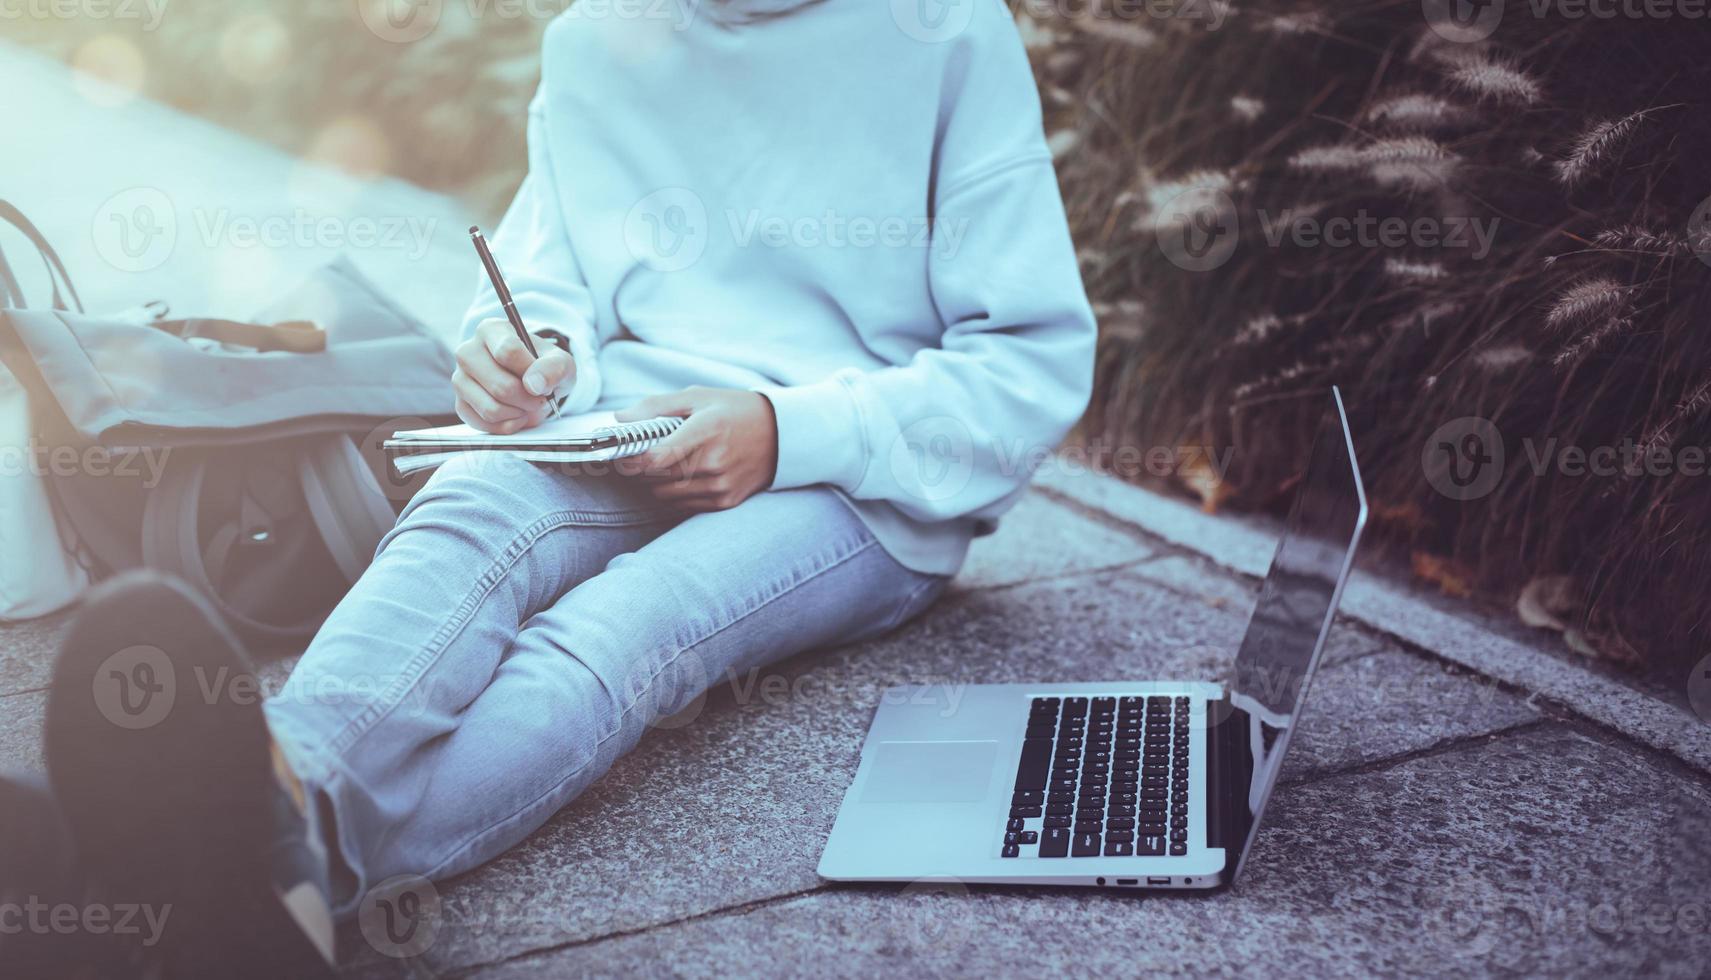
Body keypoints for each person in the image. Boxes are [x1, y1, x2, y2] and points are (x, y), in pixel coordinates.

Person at [38, 0, 1095, 973]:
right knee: (466, 510)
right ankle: (269, 832)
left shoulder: (943, 34)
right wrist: (522, 350)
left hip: (858, 477)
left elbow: (1028, 367)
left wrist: (785, 430)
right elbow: (547, 282)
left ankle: (251, 850)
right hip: (625, 419)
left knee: (632, 620)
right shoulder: (598, 35)